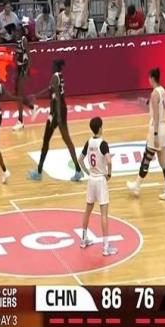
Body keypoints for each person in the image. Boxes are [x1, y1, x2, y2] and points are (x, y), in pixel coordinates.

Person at [28, 59, 84, 182]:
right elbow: (49, 90)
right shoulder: (59, 76)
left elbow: (57, 97)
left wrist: (57, 115)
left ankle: (39, 172)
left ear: (55, 66)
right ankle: (78, 170)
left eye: (52, 65)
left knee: (48, 141)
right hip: (58, 111)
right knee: (65, 140)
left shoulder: (55, 77)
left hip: (57, 112)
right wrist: (36, 96)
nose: (51, 67)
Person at [127, 68, 165, 201]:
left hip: (157, 129)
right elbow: (157, 105)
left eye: (149, 78)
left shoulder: (154, 93)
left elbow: (157, 115)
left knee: (146, 158)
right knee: (164, 163)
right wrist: (146, 102)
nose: (148, 80)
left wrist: (155, 134)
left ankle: (136, 186)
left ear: (152, 78)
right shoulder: (162, 90)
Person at [78, 117, 117, 256]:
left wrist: (87, 172)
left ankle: (83, 240)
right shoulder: (103, 144)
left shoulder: (88, 142)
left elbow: (80, 159)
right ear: (100, 128)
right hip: (100, 180)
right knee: (104, 215)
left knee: (87, 210)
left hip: (91, 180)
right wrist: (109, 174)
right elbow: (109, 161)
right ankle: (106, 247)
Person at [13, 26, 37, 131]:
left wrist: (27, 70)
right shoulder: (17, 41)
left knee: (19, 95)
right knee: (17, 94)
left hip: (23, 68)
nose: (15, 33)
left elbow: (29, 56)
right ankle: (32, 107)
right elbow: (18, 57)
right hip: (19, 69)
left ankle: (20, 121)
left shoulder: (24, 40)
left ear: (21, 32)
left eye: (17, 31)